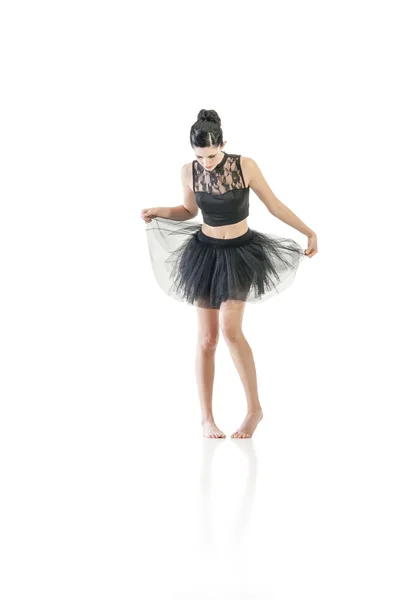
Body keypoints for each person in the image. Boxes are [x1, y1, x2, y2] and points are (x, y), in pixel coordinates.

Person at [140, 109, 318, 439]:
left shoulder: (245, 166)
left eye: (211, 154)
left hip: (239, 254)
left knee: (230, 329)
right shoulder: (188, 171)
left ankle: (254, 410)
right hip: (205, 253)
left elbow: (274, 205)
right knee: (207, 339)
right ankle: (206, 418)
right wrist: (158, 211)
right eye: (200, 156)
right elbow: (188, 211)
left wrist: (308, 231)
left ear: (223, 143)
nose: (206, 162)